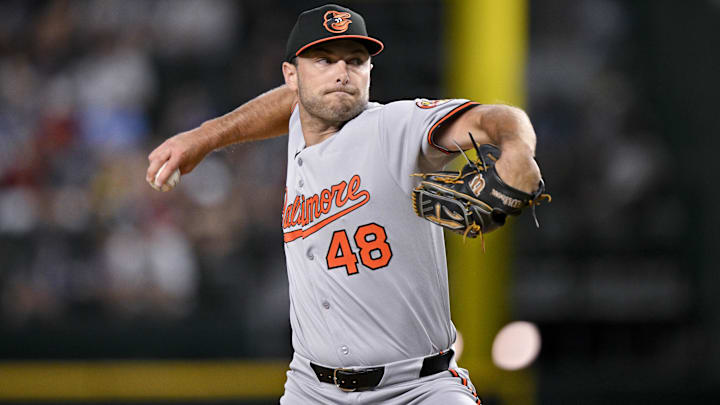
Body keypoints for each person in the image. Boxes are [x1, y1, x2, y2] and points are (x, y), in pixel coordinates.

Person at [147, 4, 541, 404]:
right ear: (291, 75)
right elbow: (289, 106)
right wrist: (204, 136)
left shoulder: (393, 127)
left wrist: (518, 150)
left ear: (370, 71)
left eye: (356, 61)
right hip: (311, 388)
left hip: (417, 389)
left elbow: (497, 117)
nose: (341, 73)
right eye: (323, 60)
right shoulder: (302, 124)